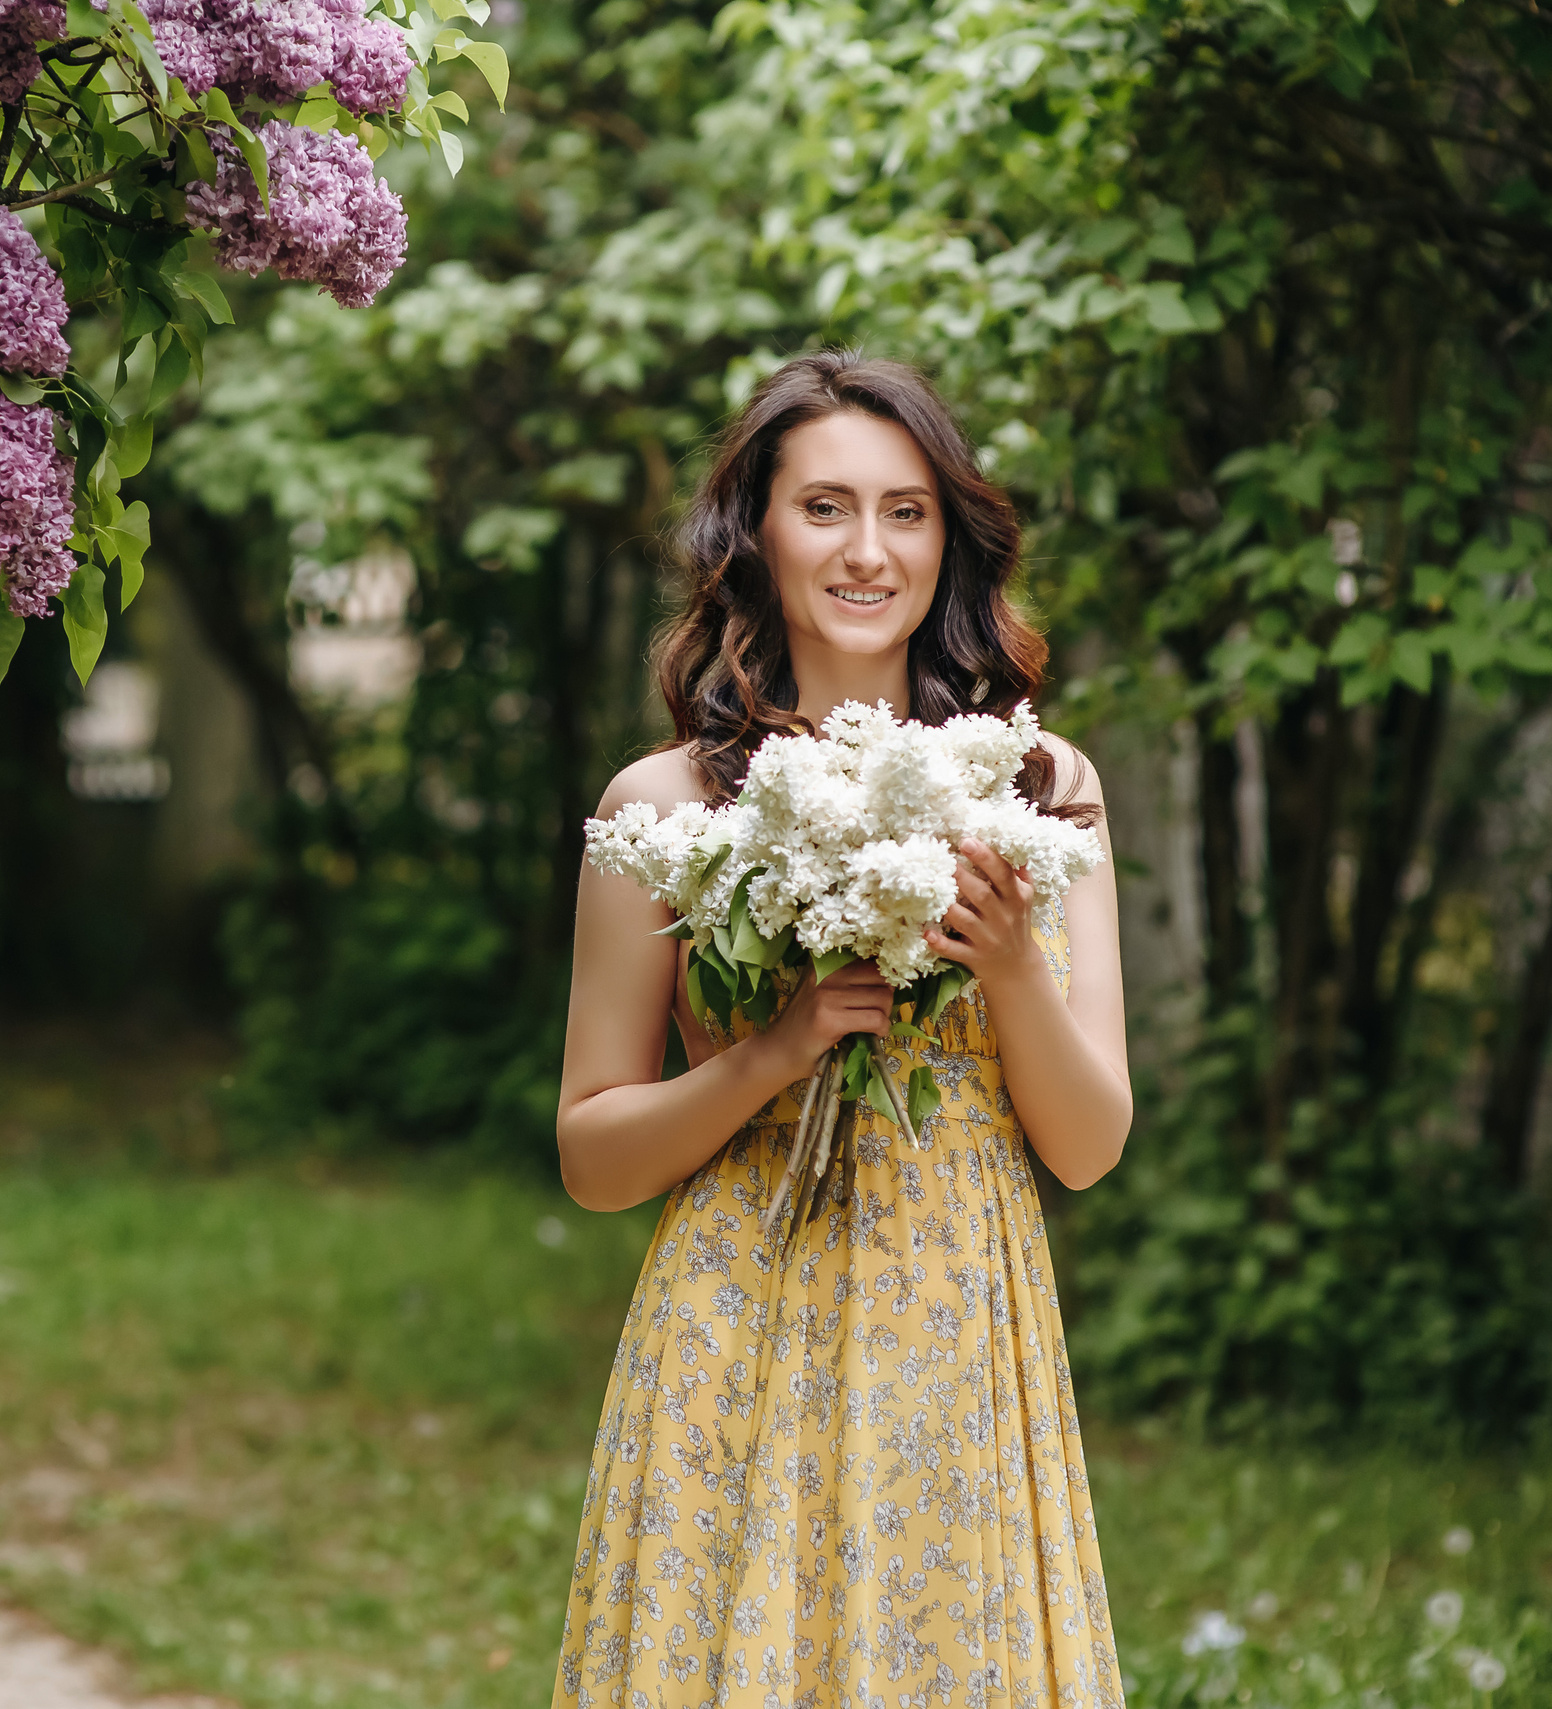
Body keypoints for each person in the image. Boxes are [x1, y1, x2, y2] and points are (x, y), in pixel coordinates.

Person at [550, 351, 1131, 1709]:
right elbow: (593, 1155)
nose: (868, 549)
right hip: (736, 1333)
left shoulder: (1041, 785)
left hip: (961, 1334)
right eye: (824, 508)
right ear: (753, 531)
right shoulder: (667, 805)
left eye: (907, 510)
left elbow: (1091, 1144)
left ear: (950, 538)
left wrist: (1008, 967)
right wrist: (772, 1049)